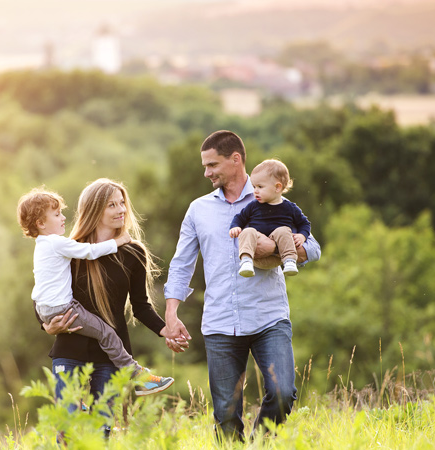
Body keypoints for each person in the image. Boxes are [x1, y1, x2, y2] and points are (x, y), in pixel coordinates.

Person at [163, 130, 321, 441]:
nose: (206, 172)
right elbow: (182, 263)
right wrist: (171, 313)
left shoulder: (277, 200)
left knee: (282, 393)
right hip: (220, 321)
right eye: (205, 166)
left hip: (269, 317)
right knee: (225, 412)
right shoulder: (198, 209)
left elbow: (313, 248)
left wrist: (277, 249)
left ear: (236, 160)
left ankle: (259, 446)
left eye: (212, 165)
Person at [17, 186, 174, 397]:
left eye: (122, 203)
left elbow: (141, 306)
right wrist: (46, 326)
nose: (122, 210)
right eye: (112, 205)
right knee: (69, 425)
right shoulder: (71, 249)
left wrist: (165, 329)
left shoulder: (133, 253)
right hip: (70, 352)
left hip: (110, 358)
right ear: (95, 210)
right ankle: (137, 374)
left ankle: (138, 375)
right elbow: (43, 292)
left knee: (103, 428)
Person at [229, 158, 311, 278]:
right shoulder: (253, 206)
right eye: (254, 186)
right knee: (248, 231)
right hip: (256, 255)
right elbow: (239, 218)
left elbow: (304, 223)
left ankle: (290, 262)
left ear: (277, 187)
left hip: (279, 258)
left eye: (260, 187)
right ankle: (245, 261)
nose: (255, 191)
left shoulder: (290, 207)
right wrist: (235, 227)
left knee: (283, 230)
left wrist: (302, 236)